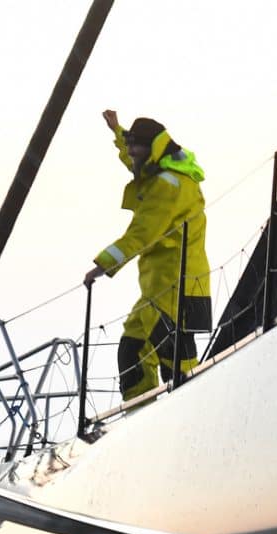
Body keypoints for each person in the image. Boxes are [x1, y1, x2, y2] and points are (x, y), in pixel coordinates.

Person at [83, 111, 211, 401]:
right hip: (159, 286)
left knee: (174, 356)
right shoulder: (162, 168)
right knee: (133, 348)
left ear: (152, 147)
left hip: (176, 284)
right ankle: (140, 415)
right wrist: (117, 131)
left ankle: (194, 403)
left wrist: (102, 266)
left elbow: (142, 234)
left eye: (135, 146)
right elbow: (135, 161)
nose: (131, 152)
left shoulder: (167, 186)